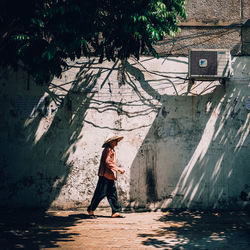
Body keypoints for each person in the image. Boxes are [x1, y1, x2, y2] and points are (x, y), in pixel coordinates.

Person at [87, 135, 125, 218]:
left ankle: (115, 211)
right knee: (100, 193)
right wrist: (118, 169)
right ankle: (91, 210)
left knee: (112, 194)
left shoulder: (111, 150)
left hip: (109, 176)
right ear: (110, 141)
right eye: (115, 141)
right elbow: (107, 162)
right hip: (105, 176)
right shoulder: (108, 150)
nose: (117, 142)